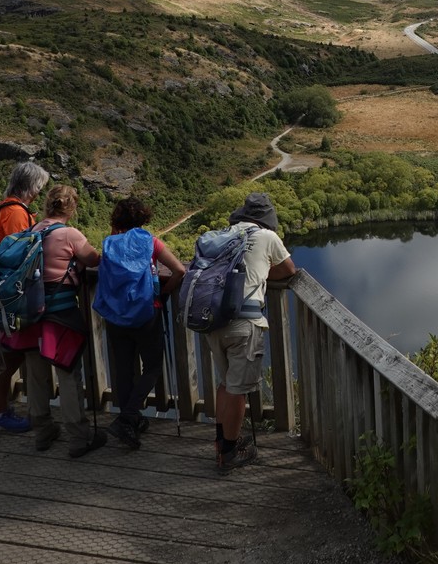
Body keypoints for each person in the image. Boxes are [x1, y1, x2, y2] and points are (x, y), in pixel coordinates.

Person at [1, 184, 105, 457]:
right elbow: (94, 259)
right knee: (68, 375)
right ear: (72, 208)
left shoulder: (32, 231)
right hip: (60, 315)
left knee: (36, 376)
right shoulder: (70, 234)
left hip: (29, 315)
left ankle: (43, 432)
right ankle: (78, 438)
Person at [206, 191, 296, 474]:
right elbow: (288, 270)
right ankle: (230, 454)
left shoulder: (225, 234)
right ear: (267, 220)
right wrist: (263, 270)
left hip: (213, 321)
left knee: (225, 384)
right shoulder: (268, 238)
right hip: (244, 324)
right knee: (237, 390)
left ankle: (223, 443)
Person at [0, 160, 50, 433]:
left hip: (6, 292)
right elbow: (22, 257)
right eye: (39, 188)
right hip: (15, 296)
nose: (40, 193)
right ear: (32, 187)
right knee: (11, 354)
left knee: (12, 352)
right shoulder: (15, 213)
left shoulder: (6, 208)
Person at [98, 197, 186, 450]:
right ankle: (128, 418)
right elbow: (179, 270)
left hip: (116, 315)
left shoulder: (109, 244)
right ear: (143, 218)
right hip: (148, 313)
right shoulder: (151, 241)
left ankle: (130, 421)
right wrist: (164, 294)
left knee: (124, 369)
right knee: (153, 367)